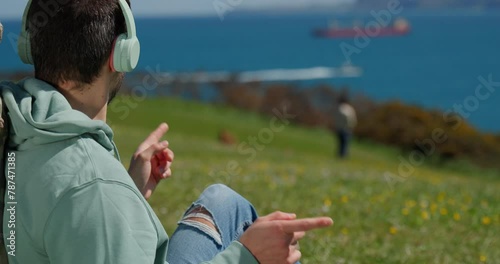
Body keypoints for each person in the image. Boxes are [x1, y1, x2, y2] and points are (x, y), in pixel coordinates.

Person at [0, 1, 333, 264]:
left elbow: (51, 215)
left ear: (29, 46)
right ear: (122, 54)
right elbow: (80, 192)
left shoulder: (14, 125)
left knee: (223, 201)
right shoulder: (94, 185)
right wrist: (247, 256)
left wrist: (126, 191)